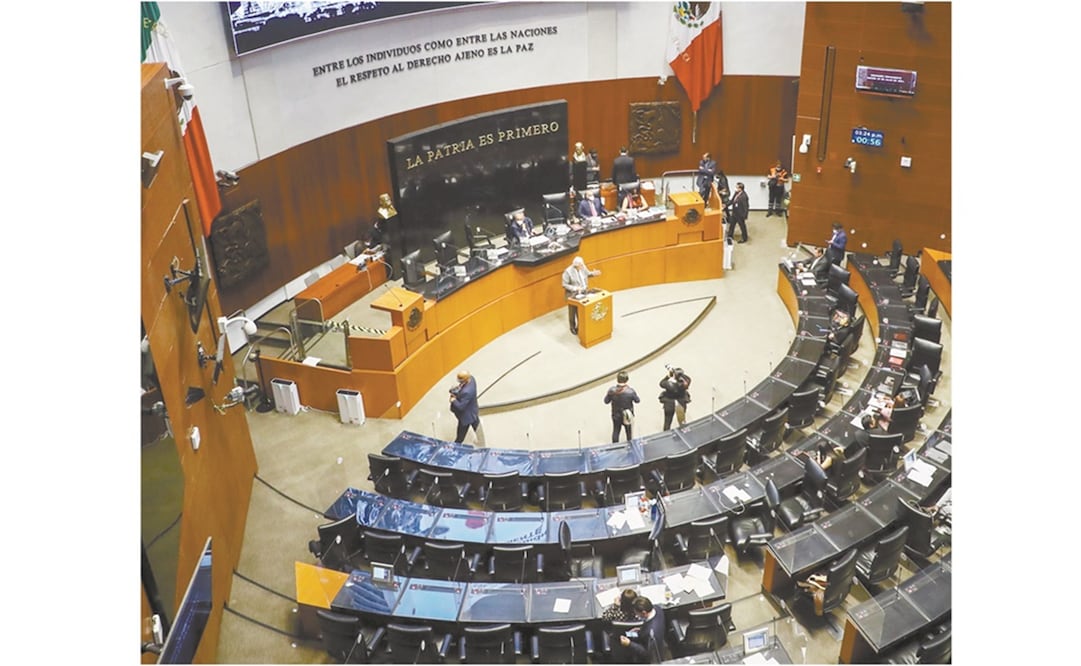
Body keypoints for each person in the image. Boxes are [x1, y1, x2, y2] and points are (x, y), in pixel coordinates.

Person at [619, 596, 667, 663]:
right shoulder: (657, 608)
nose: (636, 615)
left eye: (637, 613)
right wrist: (641, 629)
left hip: (649, 649)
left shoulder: (651, 634)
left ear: (644, 613)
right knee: (627, 634)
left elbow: (647, 653)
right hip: (643, 633)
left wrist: (629, 644)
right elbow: (646, 629)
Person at [562, 256, 601, 334]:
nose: (582, 266)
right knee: (573, 311)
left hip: (584, 292)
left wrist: (594, 274)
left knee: (582, 310)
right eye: (580, 265)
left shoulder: (583, 267)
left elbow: (587, 274)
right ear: (575, 265)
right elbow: (564, 284)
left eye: (582, 264)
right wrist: (575, 288)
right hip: (573, 294)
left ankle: (581, 326)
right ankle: (572, 327)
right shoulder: (568, 272)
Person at [604, 371, 640, 443]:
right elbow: (637, 400)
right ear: (627, 380)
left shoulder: (612, 390)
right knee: (628, 432)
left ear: (617, 379)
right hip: (627, 415)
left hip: (616, 415)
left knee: (616, 431)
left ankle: (615, 447)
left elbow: (606, 401)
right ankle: (629, 447)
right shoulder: (630, 391)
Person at [449, 370, 484, 445]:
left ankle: (456, 445)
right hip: (473, 410)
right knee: (477, 426)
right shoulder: (472, 379)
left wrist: (453, 400)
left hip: (466, 416)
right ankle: (482, 443)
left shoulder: (467, 392)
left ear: (465, 380)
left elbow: (461, 407)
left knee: (460, 434)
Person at [658, 366, 692, 430]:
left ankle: (666, 434)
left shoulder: (669, 384)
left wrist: (668, 376)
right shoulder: (685, 383)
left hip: (669, 403)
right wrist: (681, 375)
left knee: (667, 422)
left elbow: (661, 383)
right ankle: (684, 432)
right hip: (681, 402)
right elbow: (688, 379)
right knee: (682, 421)